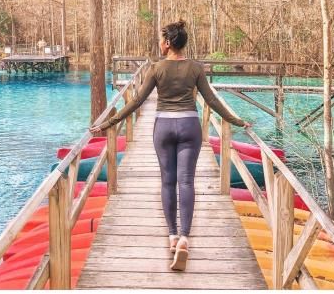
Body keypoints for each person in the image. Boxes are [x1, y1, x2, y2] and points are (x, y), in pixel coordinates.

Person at [90, 20, 251, 271]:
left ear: (167, 44)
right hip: (189, 125)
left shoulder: (156, 69)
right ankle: (185, 238)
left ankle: (172, 236)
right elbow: (212, 101)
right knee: (186, 181)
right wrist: (236, 120)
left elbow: (136, 102)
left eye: (160, 40)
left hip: (164, 127)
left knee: (168, 182)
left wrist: (109, 123)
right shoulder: (196, 68)